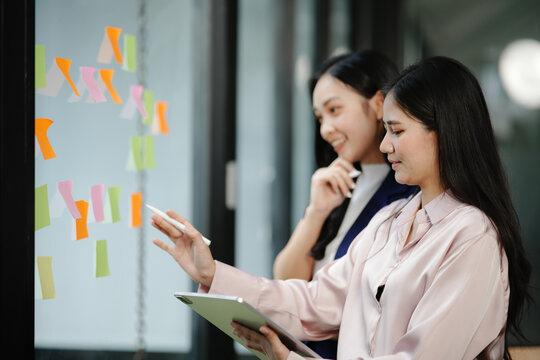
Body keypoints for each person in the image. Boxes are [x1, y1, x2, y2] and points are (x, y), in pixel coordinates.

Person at [151, 56, 531, 360]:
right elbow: (314, 303)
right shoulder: (389, 222)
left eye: (397, 131)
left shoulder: (472, 236)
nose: (385, 147)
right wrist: (211, 271)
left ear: (444, 134)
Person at [273, 50, 417, 289]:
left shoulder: (410, 192)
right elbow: (286, 280)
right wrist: (316, 213)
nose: (325, 130)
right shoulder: (337, 185)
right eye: (320, 118)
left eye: (334, 110)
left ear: (379, 105)